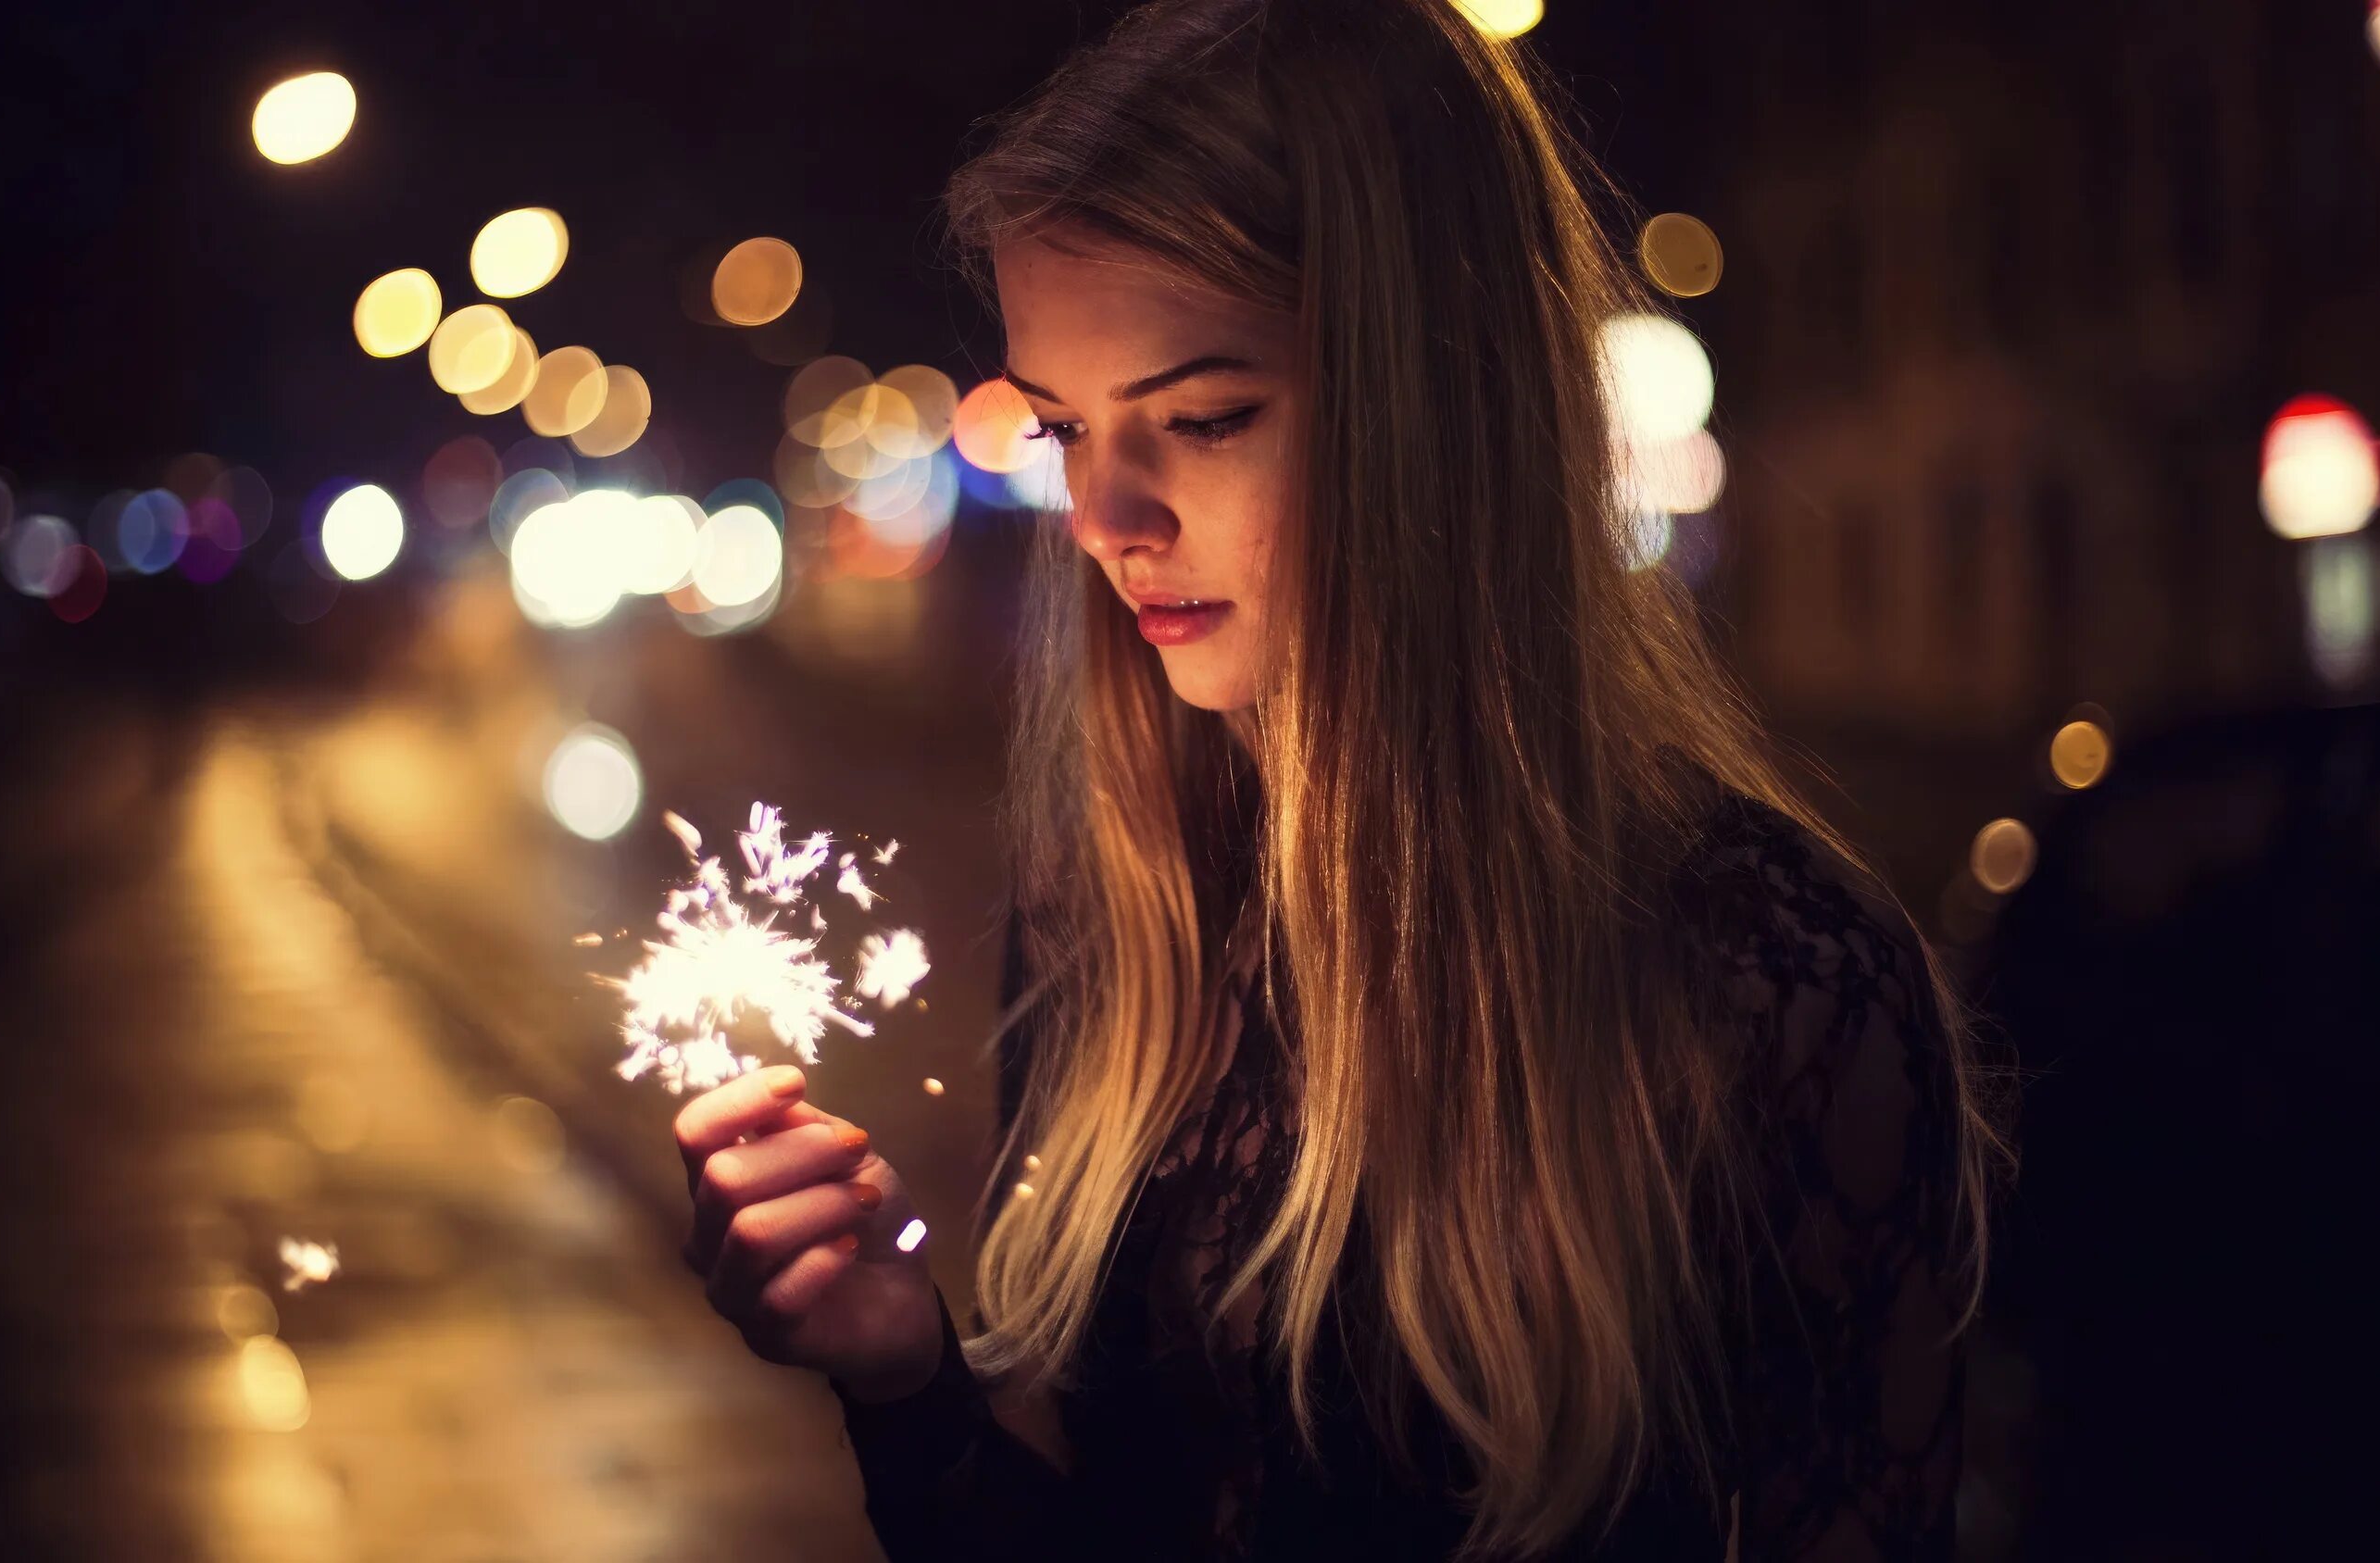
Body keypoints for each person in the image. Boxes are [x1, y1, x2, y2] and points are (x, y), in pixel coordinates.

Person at [671, 1, 2009, 1557]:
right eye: (1061, 431)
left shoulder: (1774, 989)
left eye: (1204, 418)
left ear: (1437, 404)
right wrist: (905, 1379)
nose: (1106, 517)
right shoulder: (1127, 916)